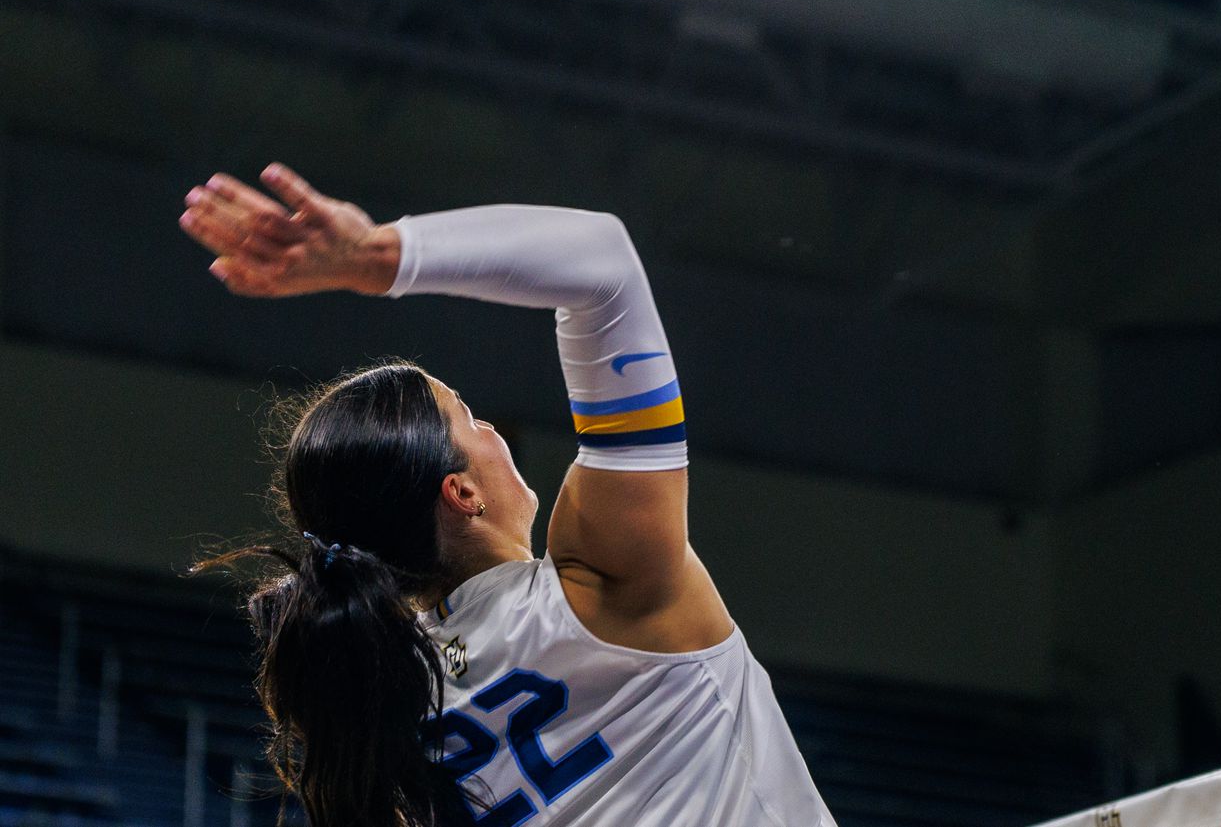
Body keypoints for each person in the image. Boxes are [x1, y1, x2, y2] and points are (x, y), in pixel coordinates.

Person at [180, 164, 837, 827]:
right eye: (469, 416)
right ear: (462, 491)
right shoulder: (602, 580)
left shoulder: (393, 715)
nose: (492, 428)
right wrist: (378, 255)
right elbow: (603, 263)